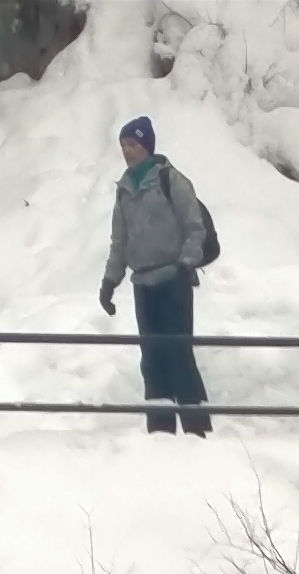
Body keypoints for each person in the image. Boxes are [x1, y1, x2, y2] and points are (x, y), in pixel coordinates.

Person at [98, 117, 218, 437]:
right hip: (143, 285)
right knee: (152, 360)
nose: (127, 151)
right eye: (123, 145)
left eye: (133, 144)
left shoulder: (171, 180)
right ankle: (160, 433)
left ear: (147, 146)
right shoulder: (124, 189)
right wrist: (109, 282)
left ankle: (197, 430)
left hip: (173, 280)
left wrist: (184, 266)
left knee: (179, 355)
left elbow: (195, 227)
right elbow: (119, 242)